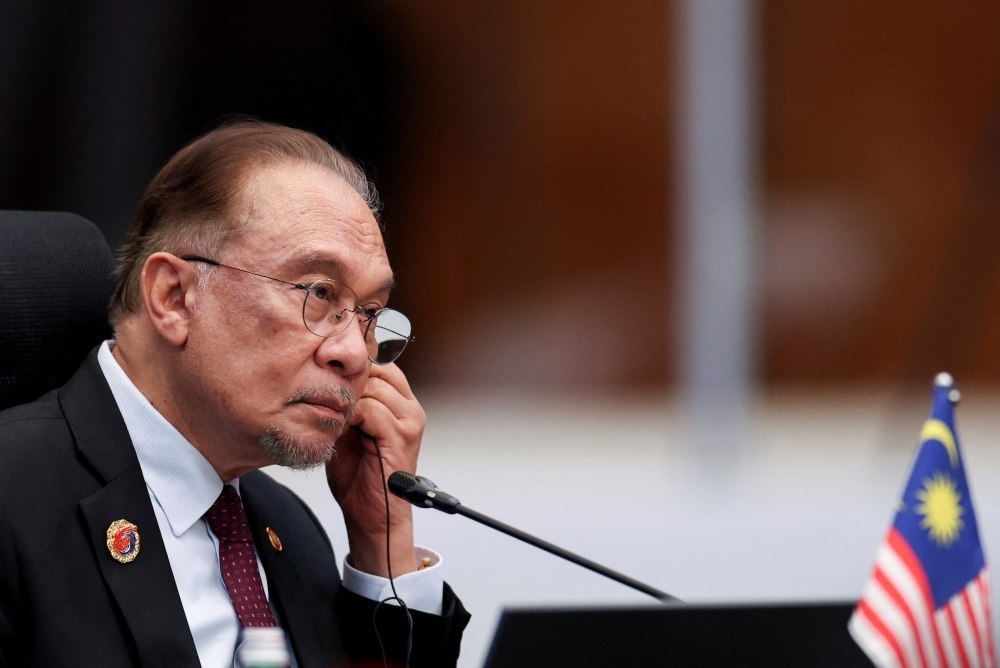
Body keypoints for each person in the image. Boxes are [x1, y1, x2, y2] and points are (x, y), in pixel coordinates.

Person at [0, 120, 469, 667]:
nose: (356, 353)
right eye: (319, 293)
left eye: (369, 313)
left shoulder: (288, 529)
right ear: (174, 297)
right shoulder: (13, 499)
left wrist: (382, 538)